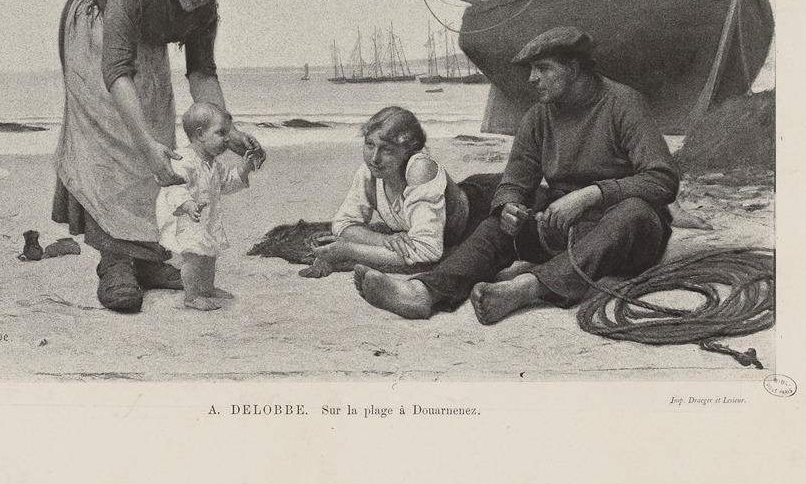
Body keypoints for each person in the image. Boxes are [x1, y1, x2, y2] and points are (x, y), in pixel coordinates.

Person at [354, 27, 679, 324]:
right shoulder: (538, 116)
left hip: (629, 237)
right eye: (531, 70)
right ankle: (424, 294)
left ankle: (526, 287)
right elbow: (515, 182)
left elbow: (662, 180)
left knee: (634, 211)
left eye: (544, 68)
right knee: (502, 221)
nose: (532, 79)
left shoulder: (623, 104)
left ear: (575, 69)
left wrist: (590, 194)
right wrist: (508, 206)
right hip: (563, 229)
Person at [51, 0, 265, 313]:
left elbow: (202, 71)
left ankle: (147, 261)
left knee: (161, 137)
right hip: (96, 30)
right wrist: (145, 145)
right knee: (114, 140)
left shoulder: (203, 10)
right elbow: (115, 69)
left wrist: (228, 131)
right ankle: (114, 264)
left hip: (143, 41)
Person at [299, 106, 472, 278]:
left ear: (408, 151)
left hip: (475, 214)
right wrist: (384, 240)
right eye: (370, 144)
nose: (374, 158)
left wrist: (350, 250)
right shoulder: (369, 173)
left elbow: (427, 251)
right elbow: (343, 224)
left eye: (387, 149)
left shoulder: (421, 169)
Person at [156, 103, 262, 311]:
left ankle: (207, 288)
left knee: (209, 254)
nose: (227, 139)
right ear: (200, 134)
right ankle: (192, 296)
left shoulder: (214, 163)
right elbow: (175, 187)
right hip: (187, 219)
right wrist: (187, 205)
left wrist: (243, 169)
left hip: (207, 217)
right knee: (194, 256)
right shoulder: (183, 159)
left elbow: (226, 183)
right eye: (220, 133)